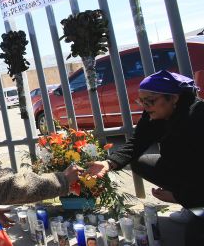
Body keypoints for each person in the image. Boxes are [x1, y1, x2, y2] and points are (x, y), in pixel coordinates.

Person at [86, 70, 204, 246]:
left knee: (195, 238)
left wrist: (179, 196)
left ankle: (196, 204)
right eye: (142, 101)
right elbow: (137, 142)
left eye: (150, 100)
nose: (145, 106)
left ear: (174, 98)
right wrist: (109, 163)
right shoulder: (155, 114)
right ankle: (194, 204)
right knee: (141, 163)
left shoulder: (197, 117)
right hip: (187, 174)